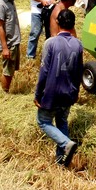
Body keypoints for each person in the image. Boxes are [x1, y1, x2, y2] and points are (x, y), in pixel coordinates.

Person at [34, 9, 84, 167]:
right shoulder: (78, 44)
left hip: (52, 92)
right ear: (73, 24)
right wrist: (76, 92)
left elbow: (44, 72)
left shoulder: (51, 43)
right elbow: (78, 72)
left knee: (43, 121)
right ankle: (60, 161)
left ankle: (65, 143)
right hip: (68, 92)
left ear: (57, 22)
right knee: (62, 121)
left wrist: (38, 94)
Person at [0, 0, 24, 93]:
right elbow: (0, 26)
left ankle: (6, 90)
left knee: (11, 69)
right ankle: (4, 93)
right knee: (7, 70)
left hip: (14, 40)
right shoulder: (0, 4)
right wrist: (5, 48)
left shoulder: (10, 0)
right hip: (9, 42)